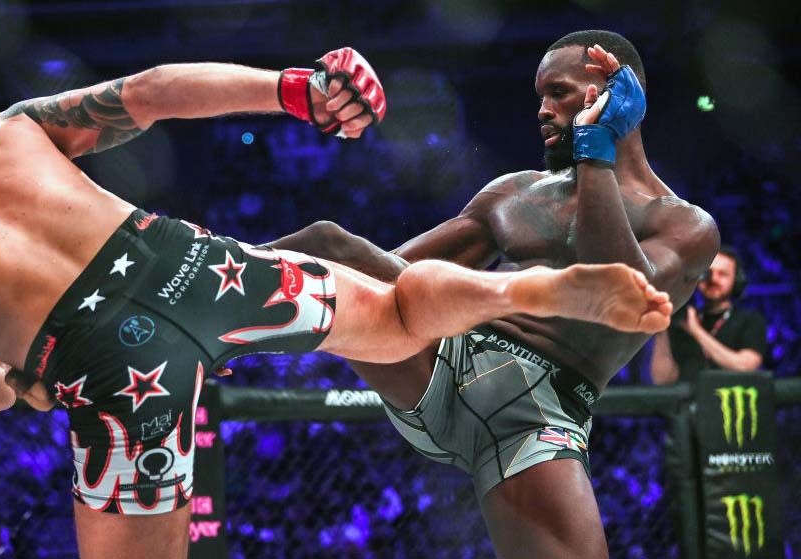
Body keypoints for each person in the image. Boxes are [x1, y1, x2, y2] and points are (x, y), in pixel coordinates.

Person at [0, 47, 670, 558]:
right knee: (392, 316)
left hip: (101, 363)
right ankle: (521, 288)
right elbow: (155, 90)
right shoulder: (0, 130)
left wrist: (21, 378)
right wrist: (295, 89)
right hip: (182, 260)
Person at [267, 31, 719, 558]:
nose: (543, 111)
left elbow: (616, 288)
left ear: (614, 91)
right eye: (540, 97)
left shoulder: (686, 226)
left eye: (560, 93)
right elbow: (398, 277)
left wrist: (598, 148)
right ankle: (190, 293)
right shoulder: (515, 193)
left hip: (536, 413)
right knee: (329, 246)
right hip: (440, 360)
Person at [652, 245, 767, 384]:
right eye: (708, 272)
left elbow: (746, 367)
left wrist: (696, 331)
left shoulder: (750, 320)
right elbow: (662, 379)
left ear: (736, 280)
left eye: (722, 274)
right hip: (690, 403)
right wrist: (662, 329)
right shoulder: (683, 318)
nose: (713, 279)